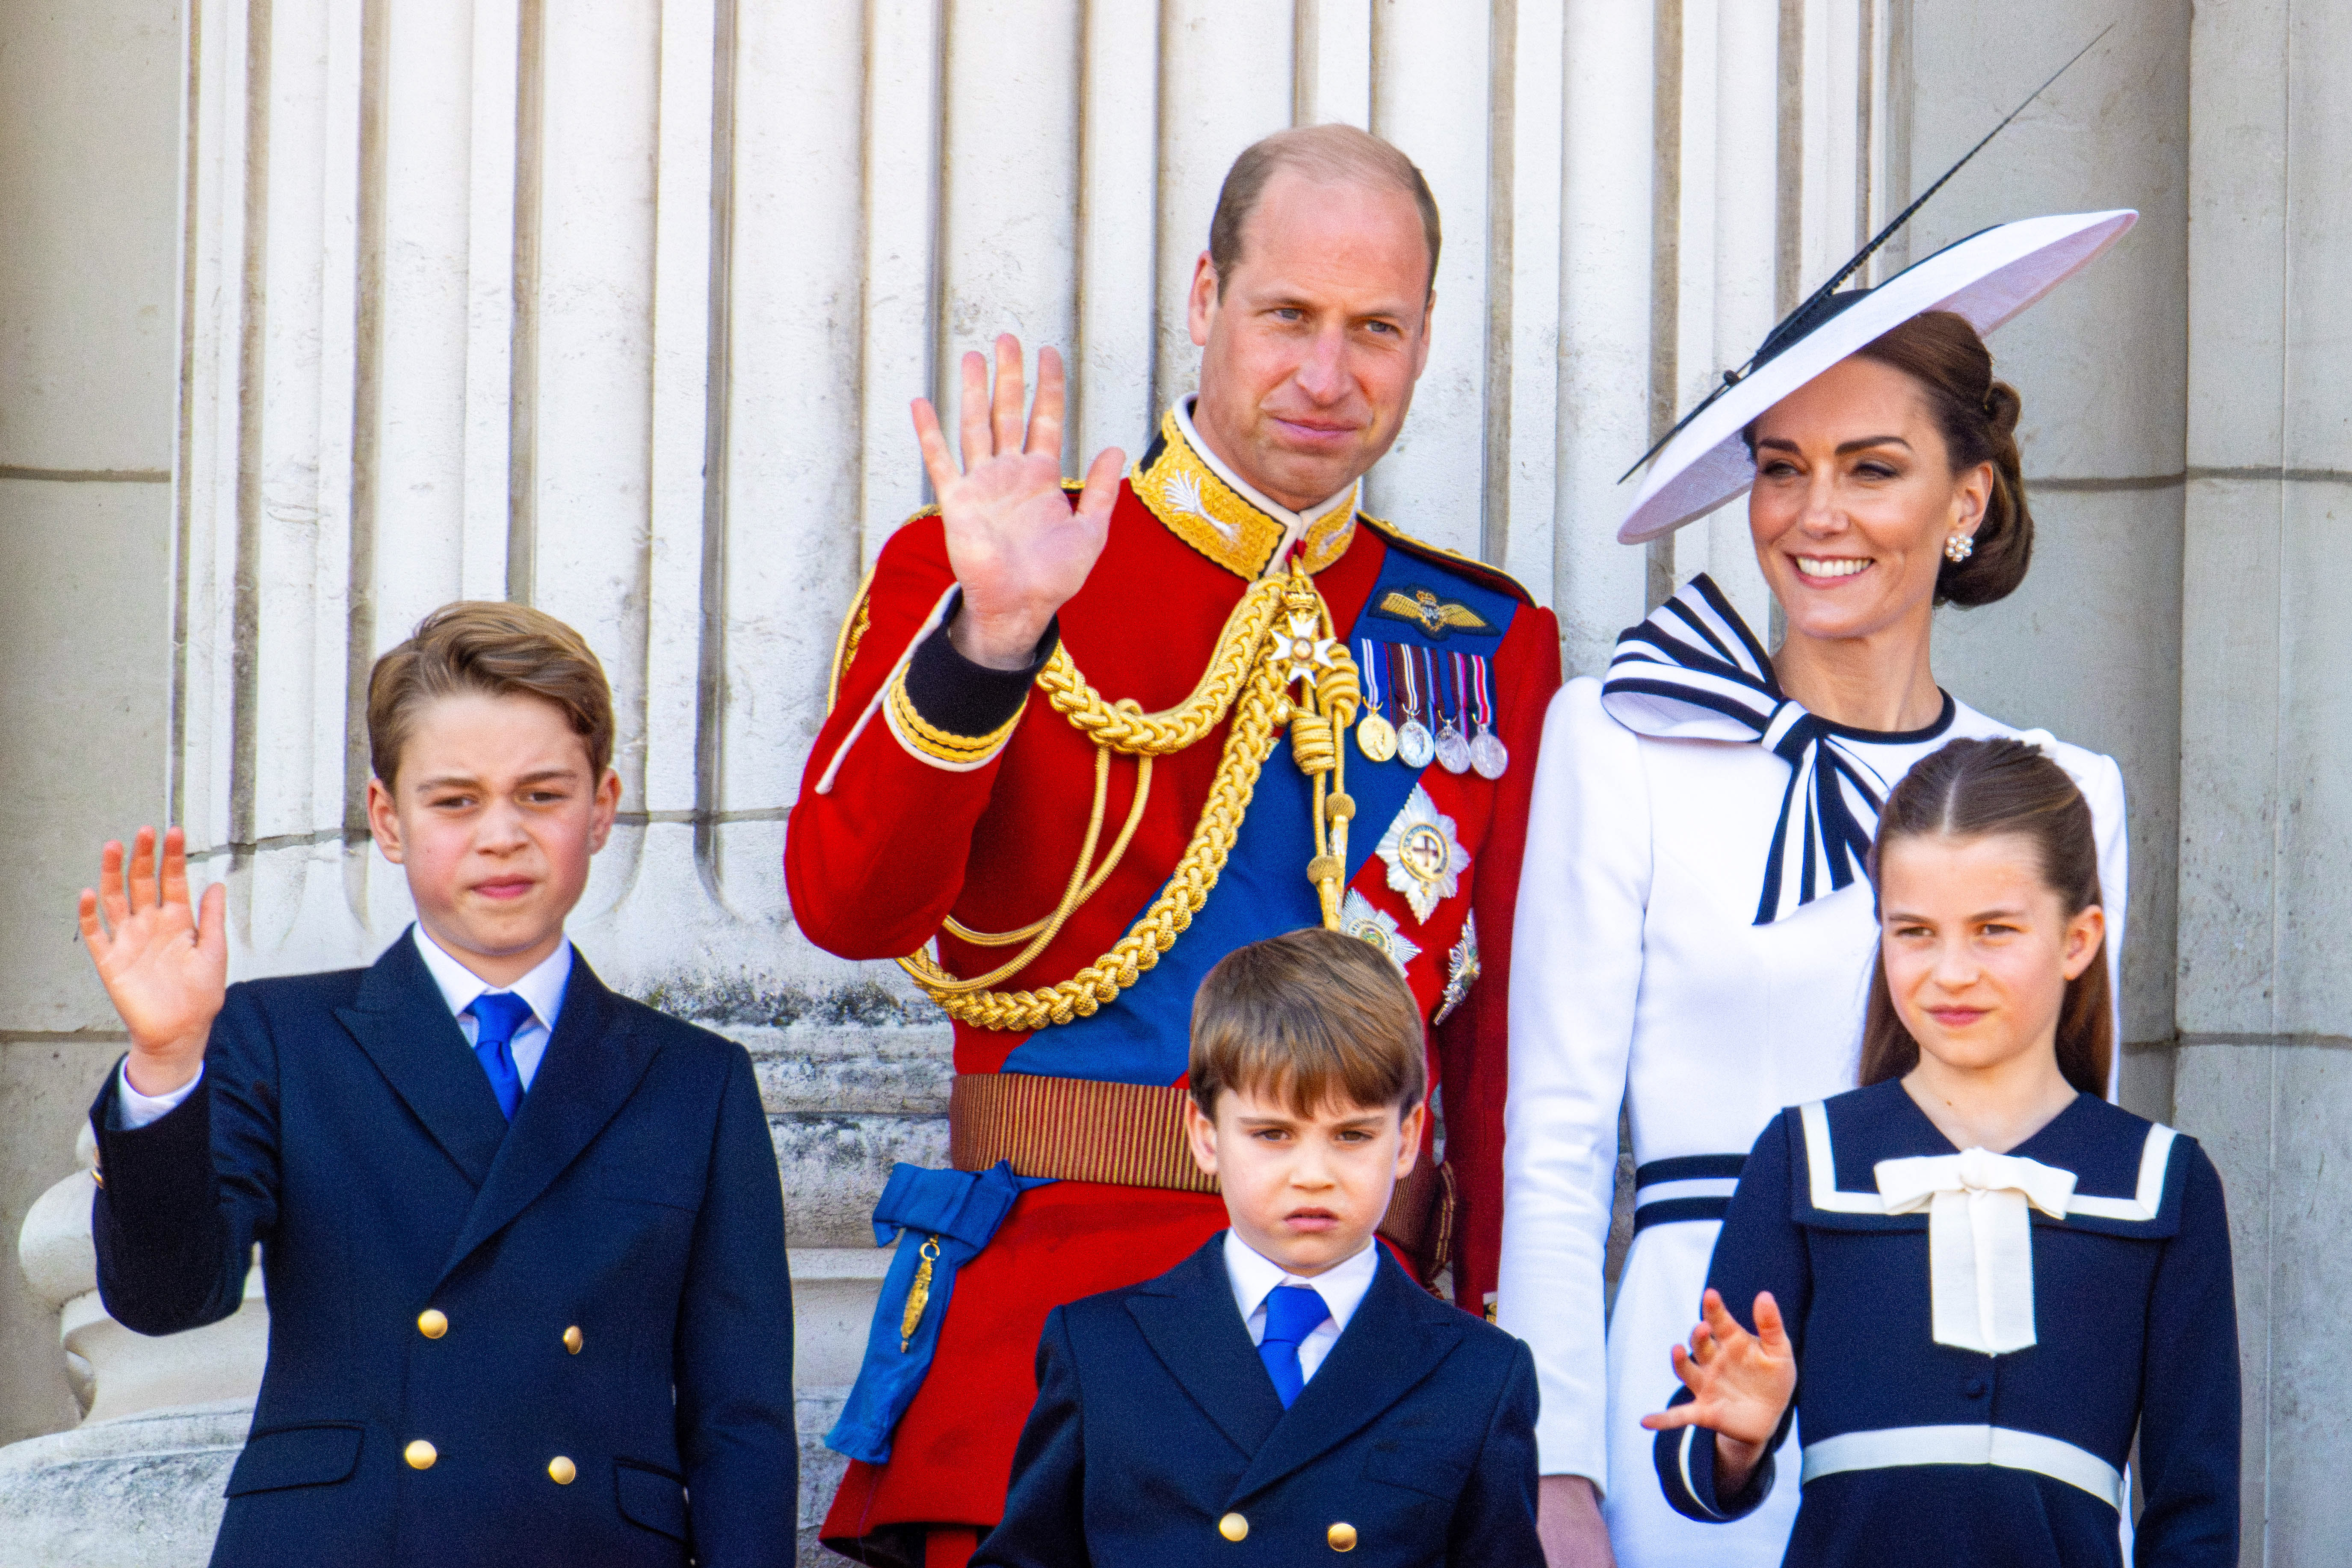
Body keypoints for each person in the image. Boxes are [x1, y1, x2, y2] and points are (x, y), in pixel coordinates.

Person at [790, 124, 1561, 1565]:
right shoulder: (1006, 564)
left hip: (1362, 1398)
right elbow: (846, 902)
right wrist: (990, 640)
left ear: (1424, 338)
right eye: (1288, 315)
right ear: (1206, 298)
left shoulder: (1483, 640)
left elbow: (1497, 1052)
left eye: (1375, 329)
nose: (1327, 375)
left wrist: (1506, 1376)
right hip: (1044, 1370)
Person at [1497, 210, 2141, 1568]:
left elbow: (2076, 1169)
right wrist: (1552, 1468)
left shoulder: (2063, 793)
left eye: (1871, 467)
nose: (1816, 514)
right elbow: (1552, 1146)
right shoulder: (1619, 739)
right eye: (1781, 468)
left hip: (1975, 1394)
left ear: (1965, 500)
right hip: (1691, 1377)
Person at [77, 604, 796, 1568]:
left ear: (602, 807)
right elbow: (167, 1299)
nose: (502, 836)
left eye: (542, 794)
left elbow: (740, 1422)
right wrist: (167, 1061)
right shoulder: (278, 1036)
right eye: (455, 801)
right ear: (389, 819)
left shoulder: (695, 1080)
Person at [1641, 737, 2238, 1565]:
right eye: (1914, 932)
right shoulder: (1803, 1157)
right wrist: (1735, 1439)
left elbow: (2196, 1517)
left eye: (1993, 930)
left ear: (2078, 940)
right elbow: (1688, 1461)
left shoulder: (2163, 1183)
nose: (1950, 971)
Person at [973, 927, 1542, 1568]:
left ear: (1407, 1139)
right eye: (1273, 1134)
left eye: (1352, 1136)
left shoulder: (1480, 1374)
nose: (1313, 1175)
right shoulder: (1100, 1348)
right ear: (1206, 1136)